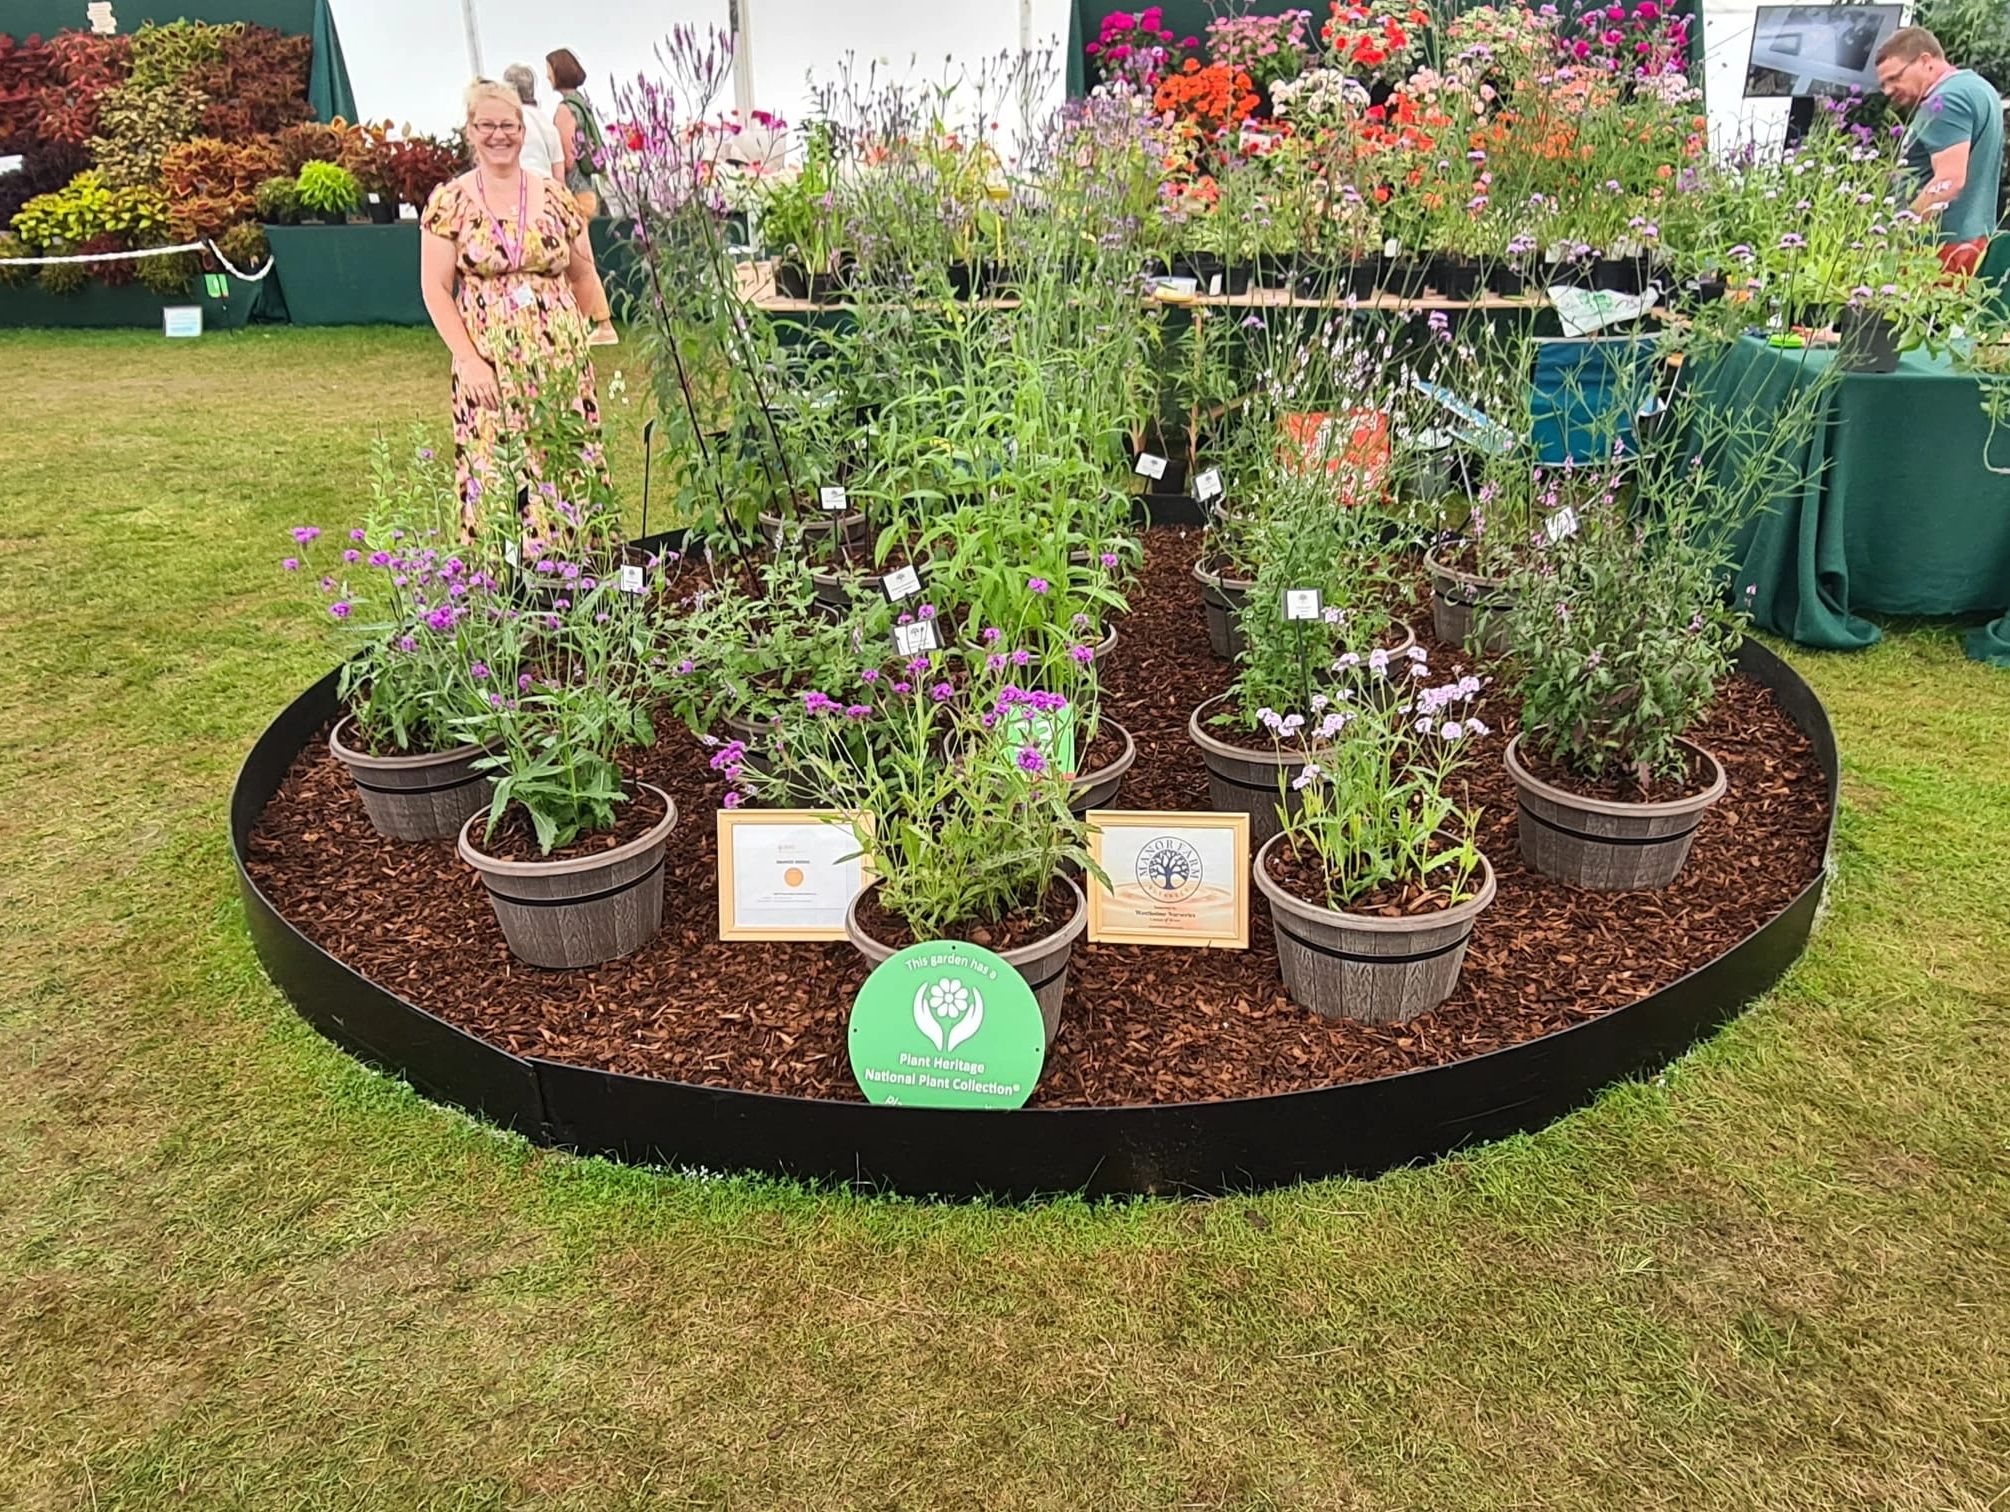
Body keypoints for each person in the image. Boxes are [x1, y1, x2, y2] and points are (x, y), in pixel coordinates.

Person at [419, 79, 611, 545]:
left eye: (508, 125)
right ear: (470, 131)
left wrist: (598, 326)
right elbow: (435, 288)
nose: (498, 135)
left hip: (559, 366)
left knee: (567, 460)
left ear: (523, 131)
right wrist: (468, 361)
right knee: (498, 468)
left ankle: (579, 572)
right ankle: (504, 588)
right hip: (490, 370)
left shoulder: (556, 198)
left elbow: (583, 273)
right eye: (487, 125)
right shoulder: (450, 202)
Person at [1876, 27, 2005, 278]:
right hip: (1969, 240)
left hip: (1937, 252)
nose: (1888, 90)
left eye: (1895, 78)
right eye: (1884, 84)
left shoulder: (1945, 101)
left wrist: (1900, 233)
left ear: (1926, 61)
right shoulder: (1976, 87)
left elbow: (1949, 181)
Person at [545, 48, 618, 346]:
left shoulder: (565, 110)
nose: (546, 75)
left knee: (577, 260)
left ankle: (600, 323)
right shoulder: (583, 105)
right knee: (580, 259)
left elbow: (567, 156)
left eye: (548, 69)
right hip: (589, 189)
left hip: (574, 192)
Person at [501, 62, 563, 181]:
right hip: (545, 189)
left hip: (516, 188)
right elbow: (559, 173)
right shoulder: (546, 122)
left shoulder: (504, 122)